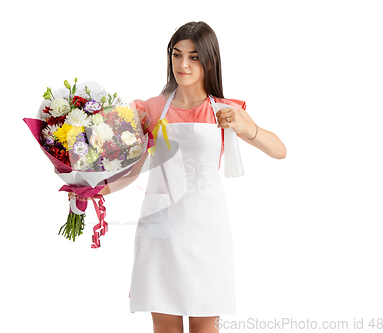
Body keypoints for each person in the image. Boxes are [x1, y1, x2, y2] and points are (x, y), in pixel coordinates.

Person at [69, 21, 286, 333]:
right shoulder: (151, 109)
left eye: (194, 57)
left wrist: (244, 127)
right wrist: (89, 190)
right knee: (166, 325)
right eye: (177, 55)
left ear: (210, 60)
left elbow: (280, 151)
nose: (183, 64)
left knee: (205, 324)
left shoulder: (225, 111)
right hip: (161, 227)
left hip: (207, 230)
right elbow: (131, 168)